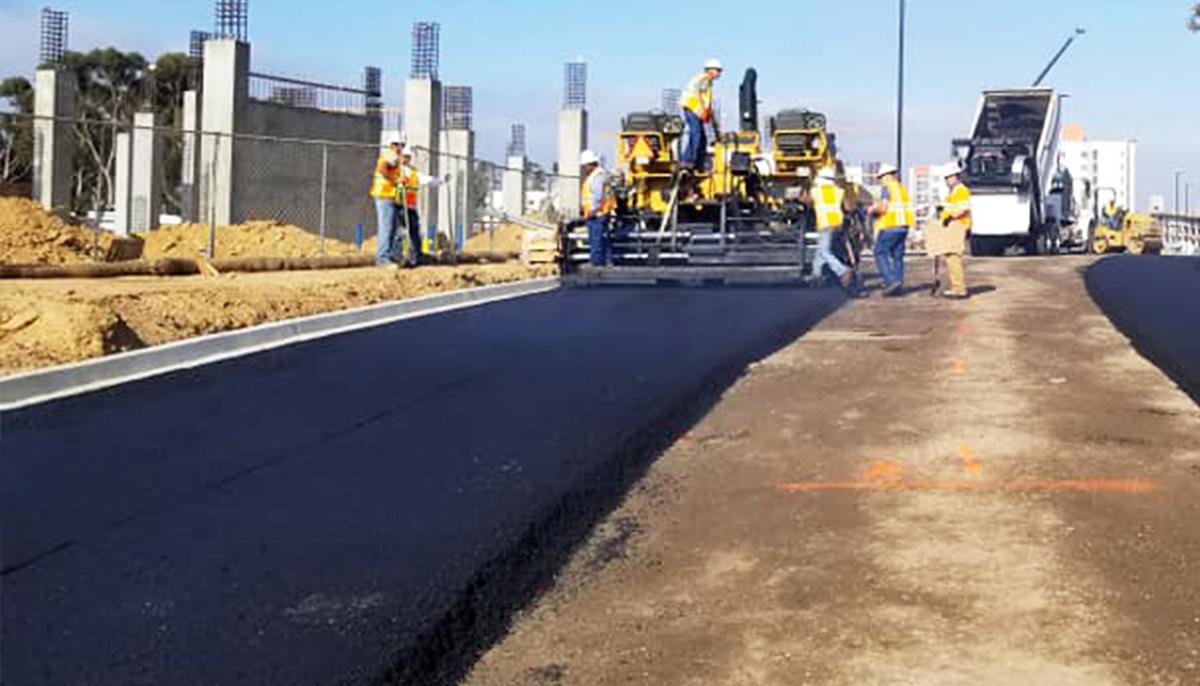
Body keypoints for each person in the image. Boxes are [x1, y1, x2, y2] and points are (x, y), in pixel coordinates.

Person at [808, 166, 856, 291]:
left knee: (824, 251)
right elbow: (849, 207)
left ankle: (843, 271)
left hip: (825, 224)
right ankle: (816, 277)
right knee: (820, 252)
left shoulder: (816, 191)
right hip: (837, 223)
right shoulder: (839, 191)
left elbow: (806, 200)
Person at [871, 163, 914, 296]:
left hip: (890, 226)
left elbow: (883, 208)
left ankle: (890, 281)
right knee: (897, 256)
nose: (880, 180)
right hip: (903, 227)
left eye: (881, 177)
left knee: (879, 252)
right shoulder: (902, 188)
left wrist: (872, 210)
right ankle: (898, 284)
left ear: (886, 175)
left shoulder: (887, 188)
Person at [396, 150, 442, 267]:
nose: (406, 159)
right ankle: (398, 256)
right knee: (399, 233)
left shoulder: (411, 171)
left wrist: (437, 181)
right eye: (404, 157)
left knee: (415, 232)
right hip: (399, 205)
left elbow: (424, 179)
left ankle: (416, 256)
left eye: (408, 157)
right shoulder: (396, 170)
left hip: (410, 206)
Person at [678, 58, 723, 170]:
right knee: (696, 135)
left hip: (695, 110)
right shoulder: (705, 79)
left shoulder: (706, 81)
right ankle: (687, 161)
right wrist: (702, 108)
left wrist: (711, 118)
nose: (719, 73)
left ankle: (697, 163)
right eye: (718, 70)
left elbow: (706, 100)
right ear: (711, 70)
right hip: (693, 109)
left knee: (702, 138)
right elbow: (697, 92)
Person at [936, 164, 972, 299]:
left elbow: (963, 209)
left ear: (956, 177)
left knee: (953, 257)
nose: (947, 181)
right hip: (952, 226)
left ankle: (959, 288)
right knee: (950, 257)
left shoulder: (961, 190)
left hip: (958, 225)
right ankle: (956, 286)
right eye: (945, 179)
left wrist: (951, 217)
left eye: (949, 178)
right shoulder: (954, 192)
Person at [369, 137, 404, 265]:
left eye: (402, 145)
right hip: (384, 194)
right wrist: (395, 180)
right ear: (393, 145)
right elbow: (382, 168)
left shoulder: (395, 157)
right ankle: (383, 258)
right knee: (387, 226)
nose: (401, 148)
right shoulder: (390, 155)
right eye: (399, 145)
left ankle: (391, 255)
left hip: (390, 195)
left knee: (393, 227)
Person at [580, 149, 615, 266]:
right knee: (603, 238)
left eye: (585, 166)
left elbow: (597, 195)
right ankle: (607, 261)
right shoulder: (599, 175)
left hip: (597, 214)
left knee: (596, 239)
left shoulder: (597, 177)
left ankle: (596, 263)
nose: (584, 169)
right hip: (601, 212)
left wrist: (592, 210)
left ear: (591, 164)